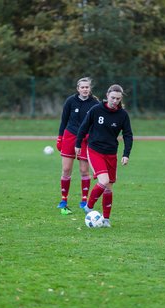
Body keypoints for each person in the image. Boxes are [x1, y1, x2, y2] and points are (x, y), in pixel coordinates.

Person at [75, 84, 133, 227]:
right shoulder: (96, 110)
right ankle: (88, 205)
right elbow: (84, 126)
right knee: (104, 180)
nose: (115, 101)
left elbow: (128, 135)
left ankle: (106, 219)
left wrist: (126, 154)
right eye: (113, 98)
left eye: (118, 99)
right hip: (95, 150)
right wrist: (77, 144)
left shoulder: (123, 115)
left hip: (111, 152)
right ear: (107, 96)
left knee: (109, 187)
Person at [56, 77, 99, 214]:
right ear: (78, 89)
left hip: (86, 138)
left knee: (84, 171)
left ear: (90, 89)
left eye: (87, 87)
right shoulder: (70, 101)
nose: (85, 89)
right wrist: (60, 137)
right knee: (66, 169)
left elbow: (97, 123)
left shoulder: (95, 103)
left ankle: (84, 200)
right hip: (70, 136)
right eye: (82, 87)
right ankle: (64, 199)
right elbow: (64, 120)